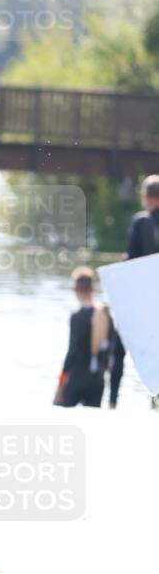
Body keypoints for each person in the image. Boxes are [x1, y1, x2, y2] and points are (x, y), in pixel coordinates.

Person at [109, 174, 159, 408]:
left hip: (142, 296)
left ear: (146, 197)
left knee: (119, 345)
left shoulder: (141, 222)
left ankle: (112, 401)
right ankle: (154, 401)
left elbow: (130, 262)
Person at [54, 266, 112, 408]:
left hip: (78, 376)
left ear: (75, 290)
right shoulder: (105, 313)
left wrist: (60, 385)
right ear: (92, 288)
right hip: (97, 379)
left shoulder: (77, 317)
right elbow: (110, 347)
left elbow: (72, 352)